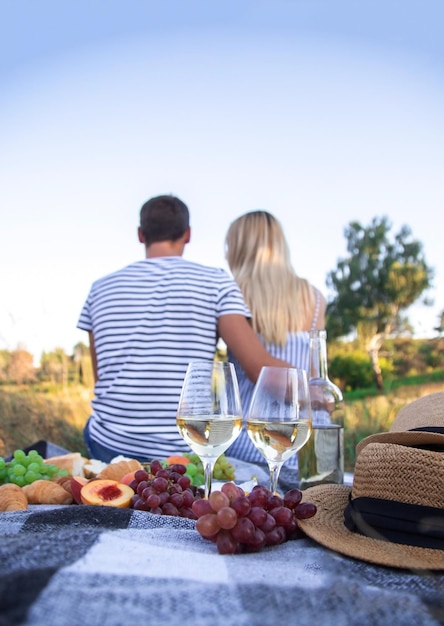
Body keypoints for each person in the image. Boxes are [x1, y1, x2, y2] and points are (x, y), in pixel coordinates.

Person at [77, 195, 290, 463]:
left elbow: (102, 378)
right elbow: (258, 367)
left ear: (141, 235)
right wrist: (315, 385)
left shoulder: (100, 288)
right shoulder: (216, 283)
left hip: (107, 445)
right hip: (184, 449)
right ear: (187, 234)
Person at [224, 210, 327, 467]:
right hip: (308, 443)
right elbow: (317, 379)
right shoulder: (314, 298)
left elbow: (256, 369)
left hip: (252, 444)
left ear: (239, 248)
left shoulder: (232, 294)